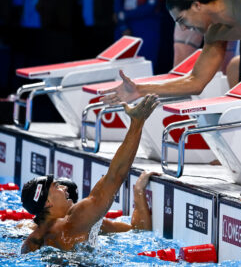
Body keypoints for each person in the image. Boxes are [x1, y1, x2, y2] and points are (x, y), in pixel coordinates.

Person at [100, 0, 241, 209]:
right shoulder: (217, 32)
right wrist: (139, 89)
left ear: (196, 4)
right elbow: (196, 81)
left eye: (182, 19)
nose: (184, 28)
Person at [20, 94, 159, 253]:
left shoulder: (28, 244)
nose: (65, 188)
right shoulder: (77, 219)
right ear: (47, 203)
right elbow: (115, 175)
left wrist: (138, 191)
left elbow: (137, 231)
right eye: (56, 186)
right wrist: (137, 122)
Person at [114, 0, 166, 73]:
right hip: (125, 25)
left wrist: (123, 15)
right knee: (121, 65)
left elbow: (150, 7)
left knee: (145, 63)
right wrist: (123, 24)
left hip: (146, 26)